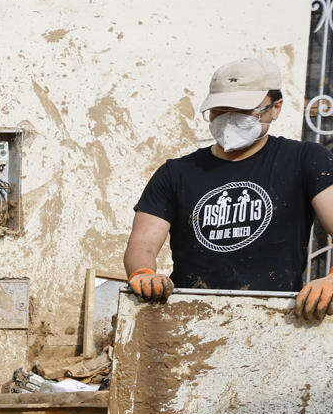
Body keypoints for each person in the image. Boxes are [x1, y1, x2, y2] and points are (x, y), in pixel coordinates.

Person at [123, 56, 333, 316]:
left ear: (275, 108)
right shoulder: (175, 173)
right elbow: (142, 244)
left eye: (243, 111)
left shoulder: (305, 160)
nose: (230, 119)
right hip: (188, 318)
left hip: (277, 318)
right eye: (221, 110)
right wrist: (143, 273)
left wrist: (331, 280)